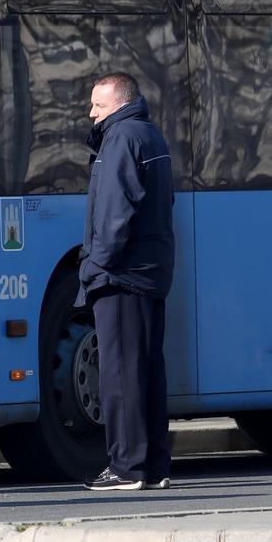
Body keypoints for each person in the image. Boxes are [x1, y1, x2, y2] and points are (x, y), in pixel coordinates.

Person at [76, 72, 175, 492]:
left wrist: (94, 266)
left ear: (117, 103)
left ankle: (126, 467)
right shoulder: (150, 136)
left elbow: (114, 213)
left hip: (122, 274)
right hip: (149, 273)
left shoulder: (119, 139)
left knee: (118, 375)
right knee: (147, 371)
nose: (91, 113)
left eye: (97, 105)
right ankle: (152, 466)